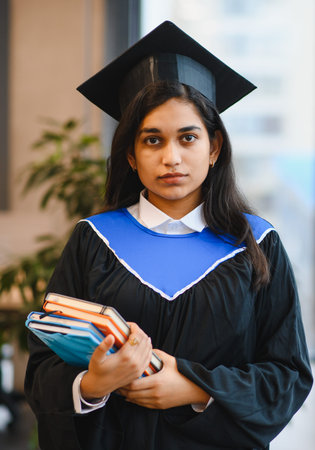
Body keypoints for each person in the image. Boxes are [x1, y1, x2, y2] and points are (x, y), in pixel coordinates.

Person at [24, 21, 313, 450]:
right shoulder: (94, 240)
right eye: (153, 140)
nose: (171, 158)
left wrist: (196, 389)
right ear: (130, 154)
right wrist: (91, 383)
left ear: (213, 148)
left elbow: (288, 375)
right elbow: (44, 369)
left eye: (188, 138)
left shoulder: (256, 244)